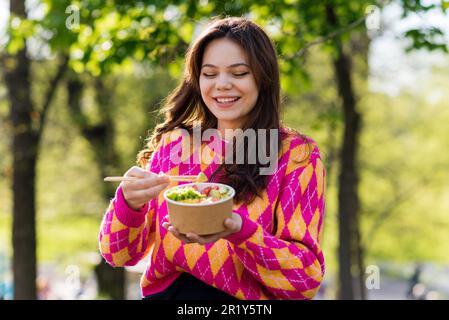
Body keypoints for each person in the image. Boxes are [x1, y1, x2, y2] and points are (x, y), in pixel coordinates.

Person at [98, 17, 326, 300]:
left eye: (239, 73)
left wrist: (240, 231)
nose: (222, 84)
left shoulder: (296, 155)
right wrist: (129, 203)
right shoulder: (174, 144)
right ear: (197, 79)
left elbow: (304, 280)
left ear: (263, 77)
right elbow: (118, 254)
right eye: (210, 73)